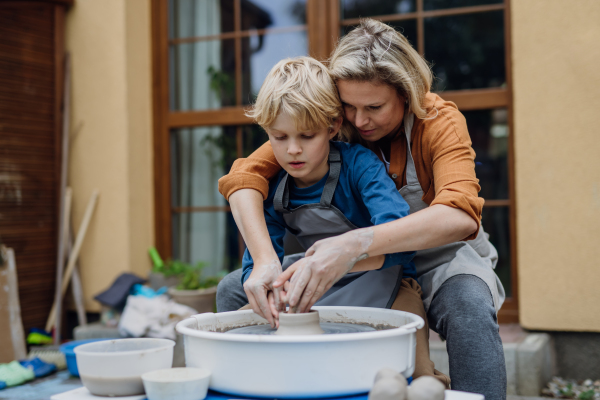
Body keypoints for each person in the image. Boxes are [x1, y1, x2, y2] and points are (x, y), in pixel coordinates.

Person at [218, 19, 507, 400]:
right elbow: (242, 180)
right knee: (233, 290)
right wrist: (266, 262)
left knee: (468, 303)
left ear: (407, 93)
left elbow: (460, 215)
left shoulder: (439, 122)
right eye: (349, 107)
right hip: (355, 261)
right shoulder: (325, 123)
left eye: (374, 107)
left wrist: (354, 245)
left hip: (440, 256)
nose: (359, 121)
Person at [219, 56, 449, 385]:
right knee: (234, 341)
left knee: (415, 373)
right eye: (279, 138)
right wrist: (269, 293)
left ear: (332, 126)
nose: (293, 150)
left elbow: (401, 243)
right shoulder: (272, 185)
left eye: (307, 136)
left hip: (392, 282)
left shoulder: (359, 166)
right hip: (314, 286)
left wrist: (338, 264)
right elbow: (260, 262)